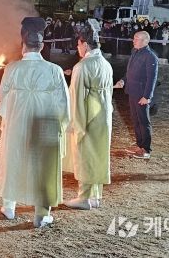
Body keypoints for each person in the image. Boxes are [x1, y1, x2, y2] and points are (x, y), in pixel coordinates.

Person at [0, 17, 70, 228]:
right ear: (42, 46)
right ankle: (41, 213)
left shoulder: (12, 69)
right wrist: (61, 125)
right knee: (42, 165)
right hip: (44, 124)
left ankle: (9, 206)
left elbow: (4, 99)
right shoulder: (54, 71)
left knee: (14, 159)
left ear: (22, 44)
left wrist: (11, 115)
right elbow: (63, 102)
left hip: (17, 123)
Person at [64, 21, 114, 210]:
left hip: (89, 116)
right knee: (99, 154)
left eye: (78, 44)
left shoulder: (83, 66)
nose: (77, 48)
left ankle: (83, 197)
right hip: (104, 115)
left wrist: (76, 123)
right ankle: (95, 196)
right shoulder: (105, 64)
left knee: (85, 154)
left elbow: (76, 97)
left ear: (85, 44)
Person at [115, 31, 158, 159]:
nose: (133, 41)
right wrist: (123, 81)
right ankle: (139, 145)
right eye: (134, 38)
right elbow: (130, 71)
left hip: (141, 95)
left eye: (136, 39)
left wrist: (147, 96)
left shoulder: (150, 57)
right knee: (135, 120)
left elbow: (152, 78)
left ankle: (146, 150)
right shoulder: (135, 52)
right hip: (132, 92)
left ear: (145, 41)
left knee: (143, 121)